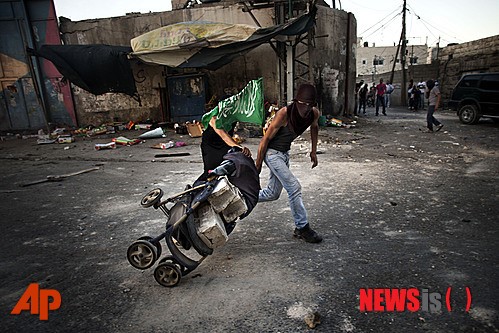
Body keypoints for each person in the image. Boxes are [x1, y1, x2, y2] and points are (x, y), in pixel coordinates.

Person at [256, 83, 322, 243]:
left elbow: (315, 128)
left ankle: (243, 196)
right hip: (272, 154)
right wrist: (256, 166)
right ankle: (302, 228)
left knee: (272, 194)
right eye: (302, 104)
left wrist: (313, 150)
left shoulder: (314, 113)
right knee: (294, 187)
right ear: (296, 101)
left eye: (309, 105)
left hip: (284, 155)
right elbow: (265, 139)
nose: (305, 108)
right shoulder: (284, 113)